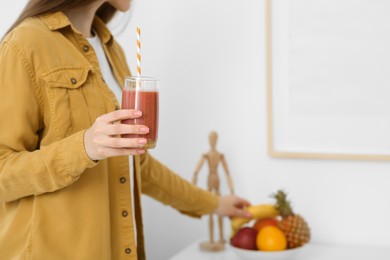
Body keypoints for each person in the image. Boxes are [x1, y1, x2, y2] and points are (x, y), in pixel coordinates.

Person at [0, 1, 252, 259]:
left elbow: (137, 165)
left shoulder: (111, 50)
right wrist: (84, 146)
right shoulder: (25, 43)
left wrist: (214, 204)